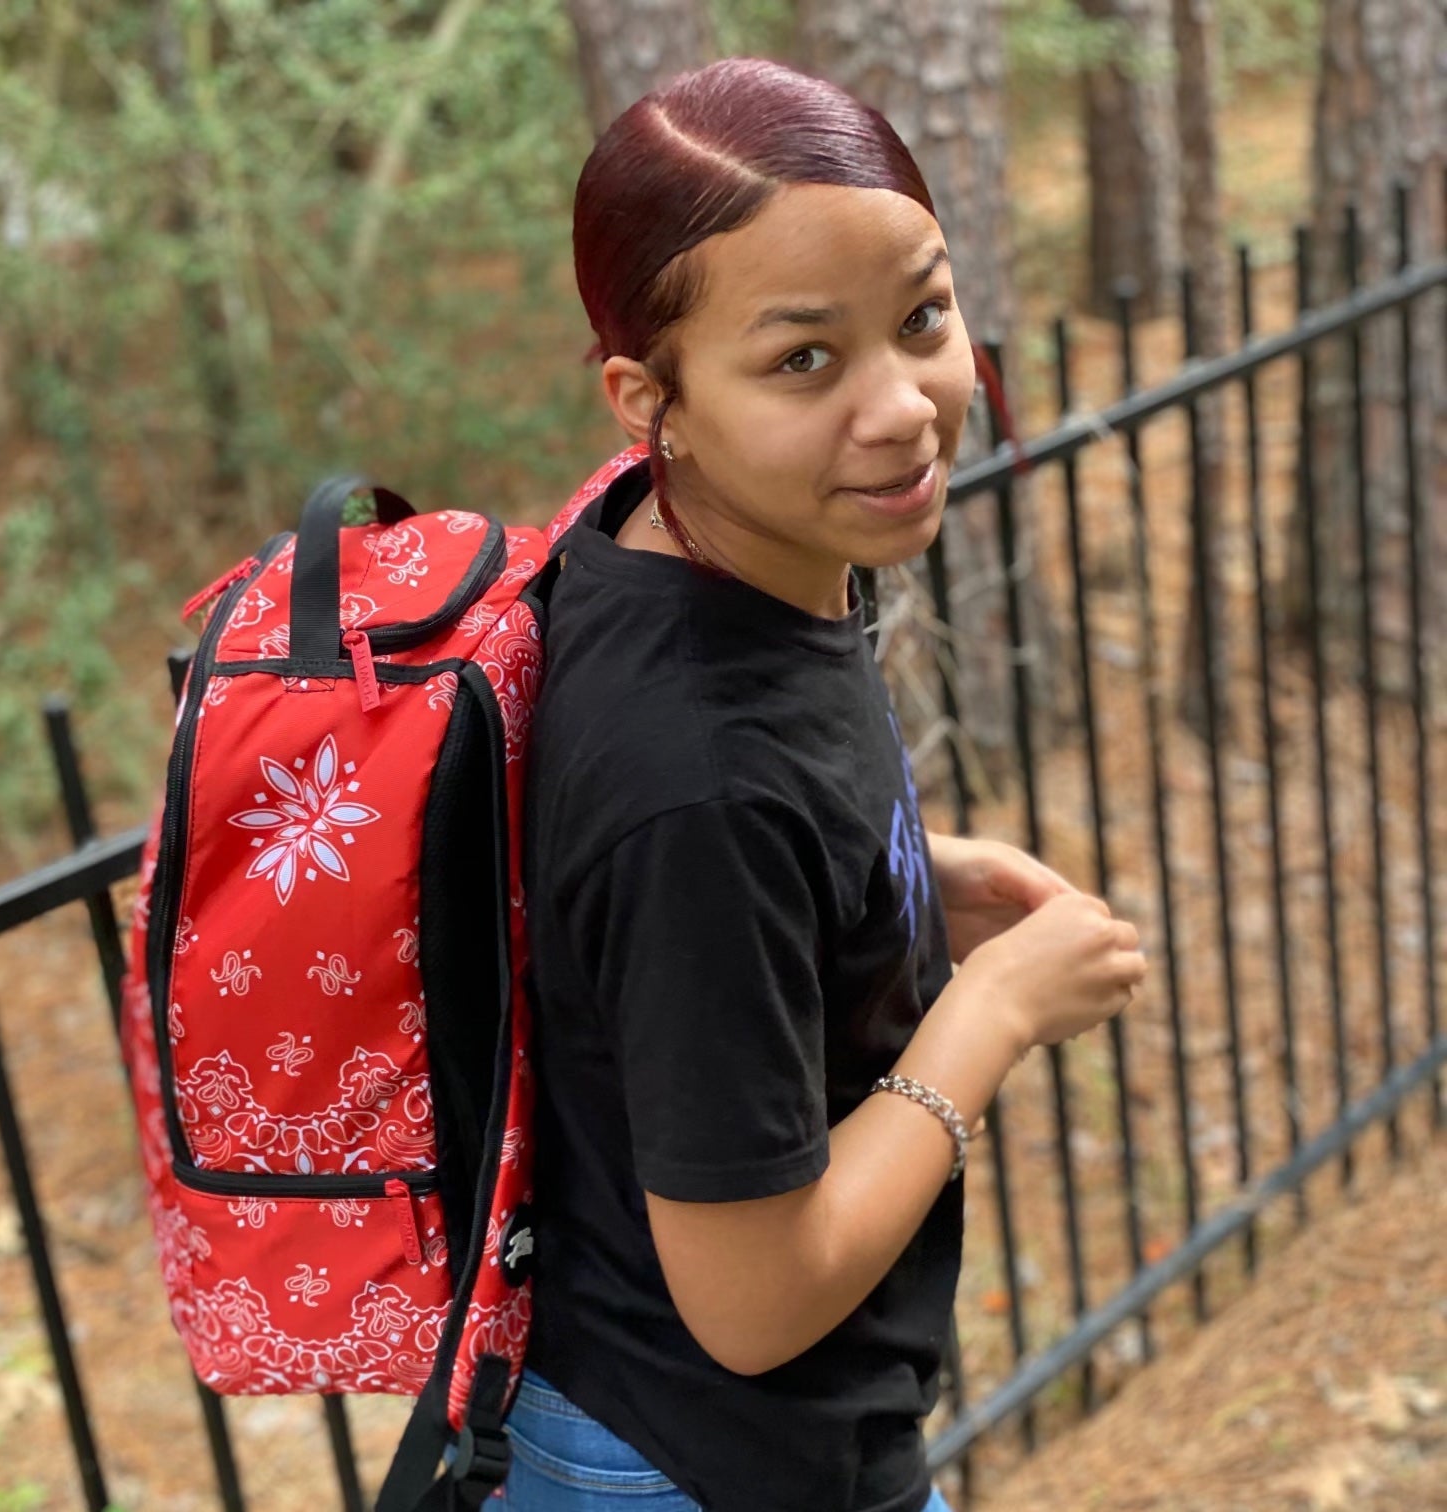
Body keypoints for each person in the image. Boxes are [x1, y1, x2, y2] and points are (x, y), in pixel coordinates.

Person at [507, 57, 1146, 1512]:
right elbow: (753, 1300)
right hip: (698, 1466)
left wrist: (898, 883)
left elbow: (696, 911)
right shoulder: (701, 784)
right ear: (650, 399)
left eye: (921, 318)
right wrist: (990, 1012)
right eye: (803, 360)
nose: (904, 407)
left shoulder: (706, 548)